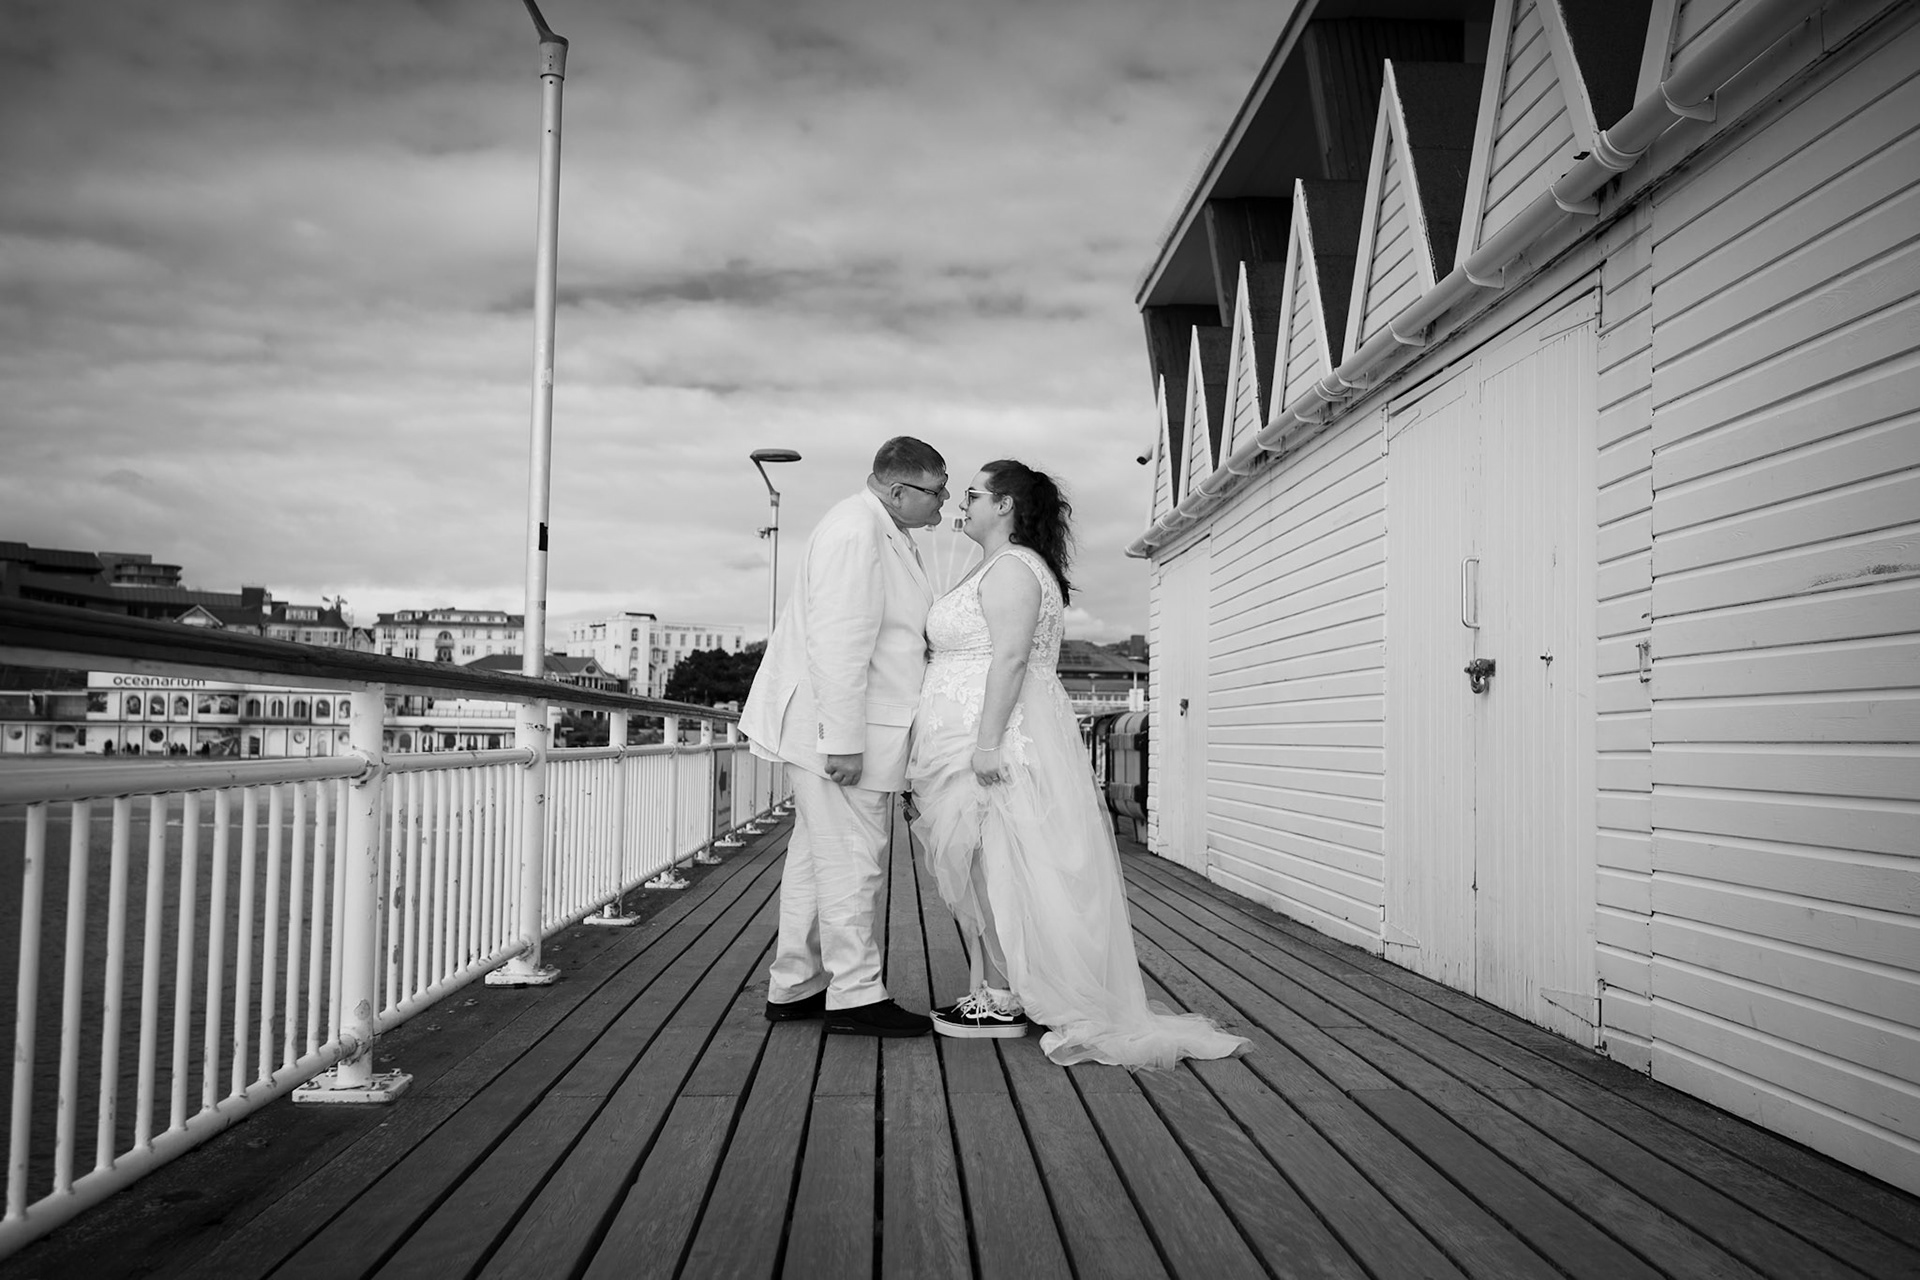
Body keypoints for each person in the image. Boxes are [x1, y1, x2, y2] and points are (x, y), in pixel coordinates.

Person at [907, 460, 1250, 1068]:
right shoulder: (994, 565)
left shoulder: (1013, 569)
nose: (963, 503)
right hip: (967, 736)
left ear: (1006, 504)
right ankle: (991, 989)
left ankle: (1006, 993)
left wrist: (986, 745)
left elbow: (1010, 660)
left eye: (974, 494)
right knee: (989, 863)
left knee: (1002, 864)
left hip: (990, 740)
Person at [740, 437, 950, 1037]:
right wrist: (843, 740)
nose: (942, 505)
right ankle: (855, 994)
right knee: (853, 859)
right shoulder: (856, 531)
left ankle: (793, 983)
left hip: (845, 726)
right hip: (836, 731)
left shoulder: (879, 527)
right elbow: (838, 640)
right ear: (894, 488)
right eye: (934, 492)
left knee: (816, 858)